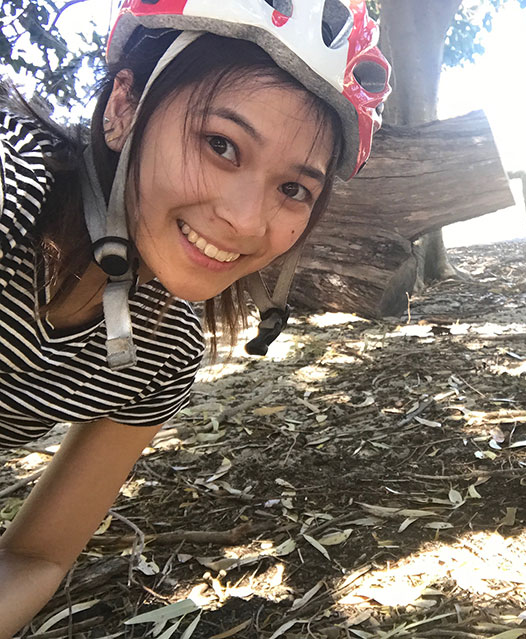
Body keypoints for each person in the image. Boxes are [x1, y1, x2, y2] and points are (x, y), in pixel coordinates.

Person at [0, 1, 391, 634]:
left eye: (294, 189)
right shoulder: (11, 197)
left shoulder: (162, 347)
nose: (246, 220)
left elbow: (36, 554)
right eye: (221, 145)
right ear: (125, 107)